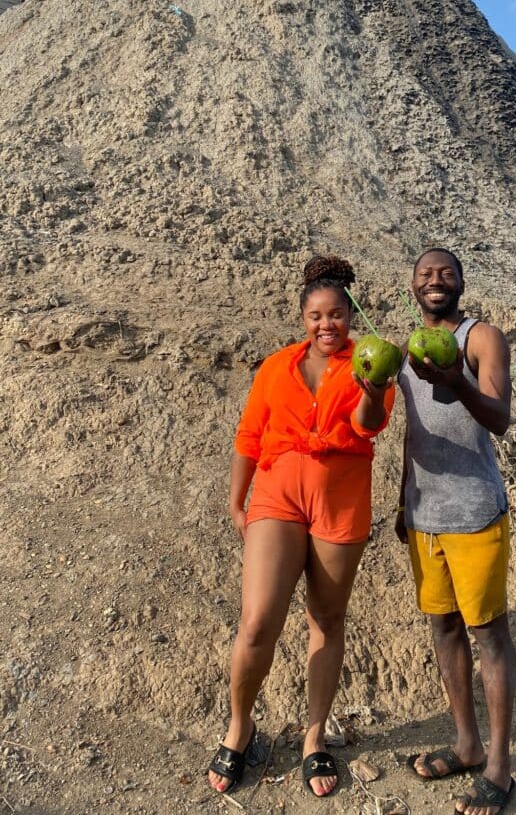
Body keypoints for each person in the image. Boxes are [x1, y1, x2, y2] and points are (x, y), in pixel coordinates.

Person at [208, 255, 396, 799]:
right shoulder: (275, 366)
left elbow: (368, 426)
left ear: (351, 316)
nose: (326, 325)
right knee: (257, 622)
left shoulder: (368, 361)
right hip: (278, 493)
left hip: (340, 500)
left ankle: (315, 737)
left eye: (336, 314)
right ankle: (239, 726)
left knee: (327, 618)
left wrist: (374, 385)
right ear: (303, 319)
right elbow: (249, 437)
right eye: (316, 315)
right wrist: (235, 504)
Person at [396, 248, 516, 815]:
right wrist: (403, 502)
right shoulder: (404, 354)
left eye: (446, 272)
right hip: (426, 518)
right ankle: (467, 744)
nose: (435, 281)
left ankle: (500, 767)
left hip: (474, 513)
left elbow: (499, 416)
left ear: (462, 282)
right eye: (425, 275)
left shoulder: (481, 338)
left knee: (490, 637)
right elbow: (412, 434)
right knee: (443, 629)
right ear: (413, 289)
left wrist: (455, 382)